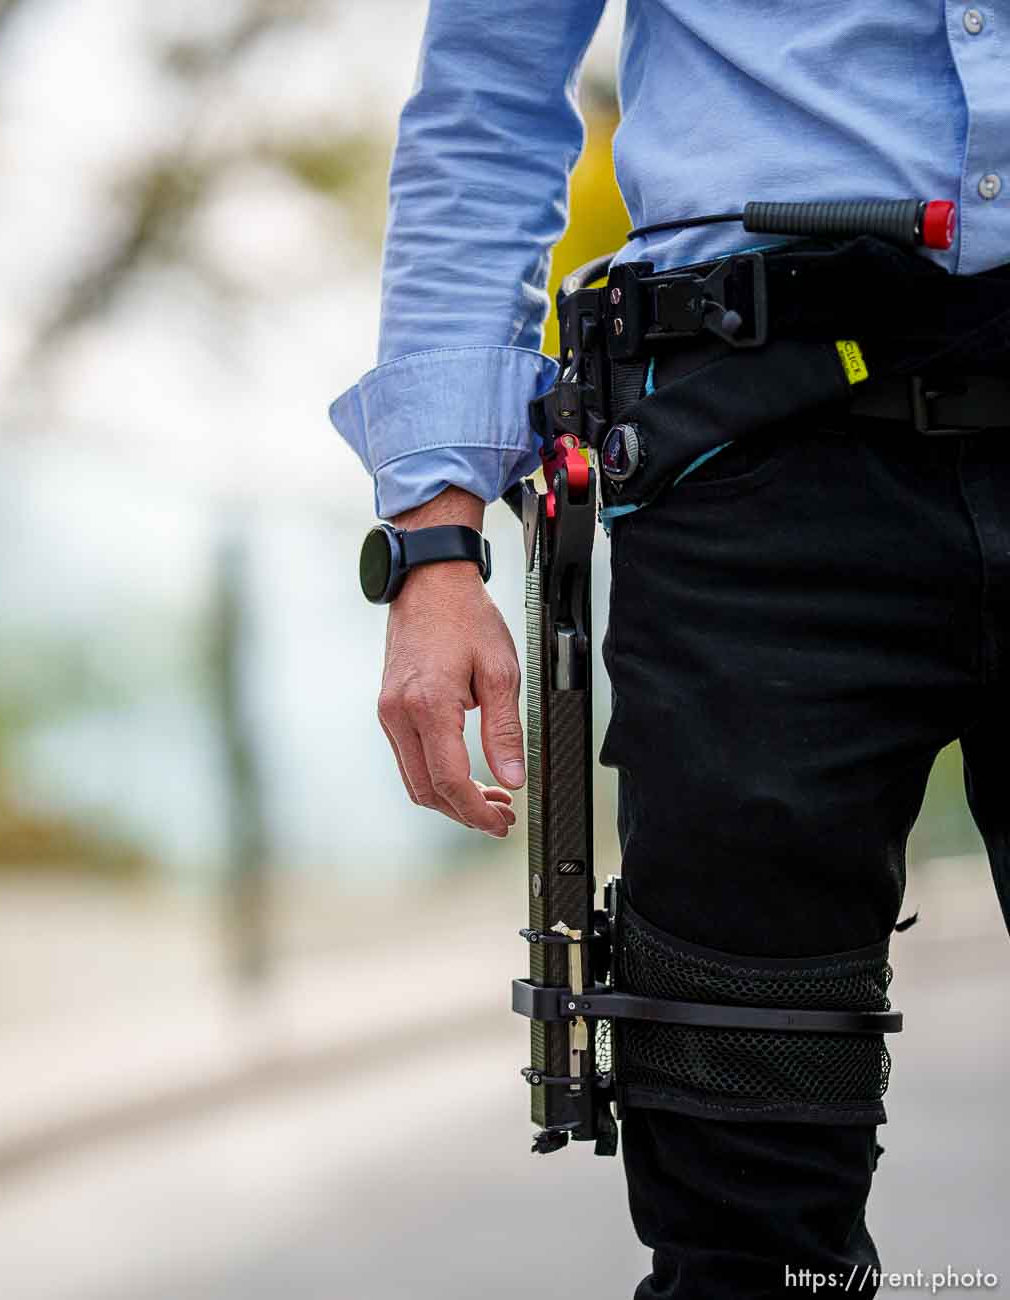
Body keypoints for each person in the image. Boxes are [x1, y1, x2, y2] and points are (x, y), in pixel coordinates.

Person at [330, 3, 1010, 1296]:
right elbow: (487, 89)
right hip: (759, 453)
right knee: (746, 1228)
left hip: (754, 429)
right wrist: (432, 539)